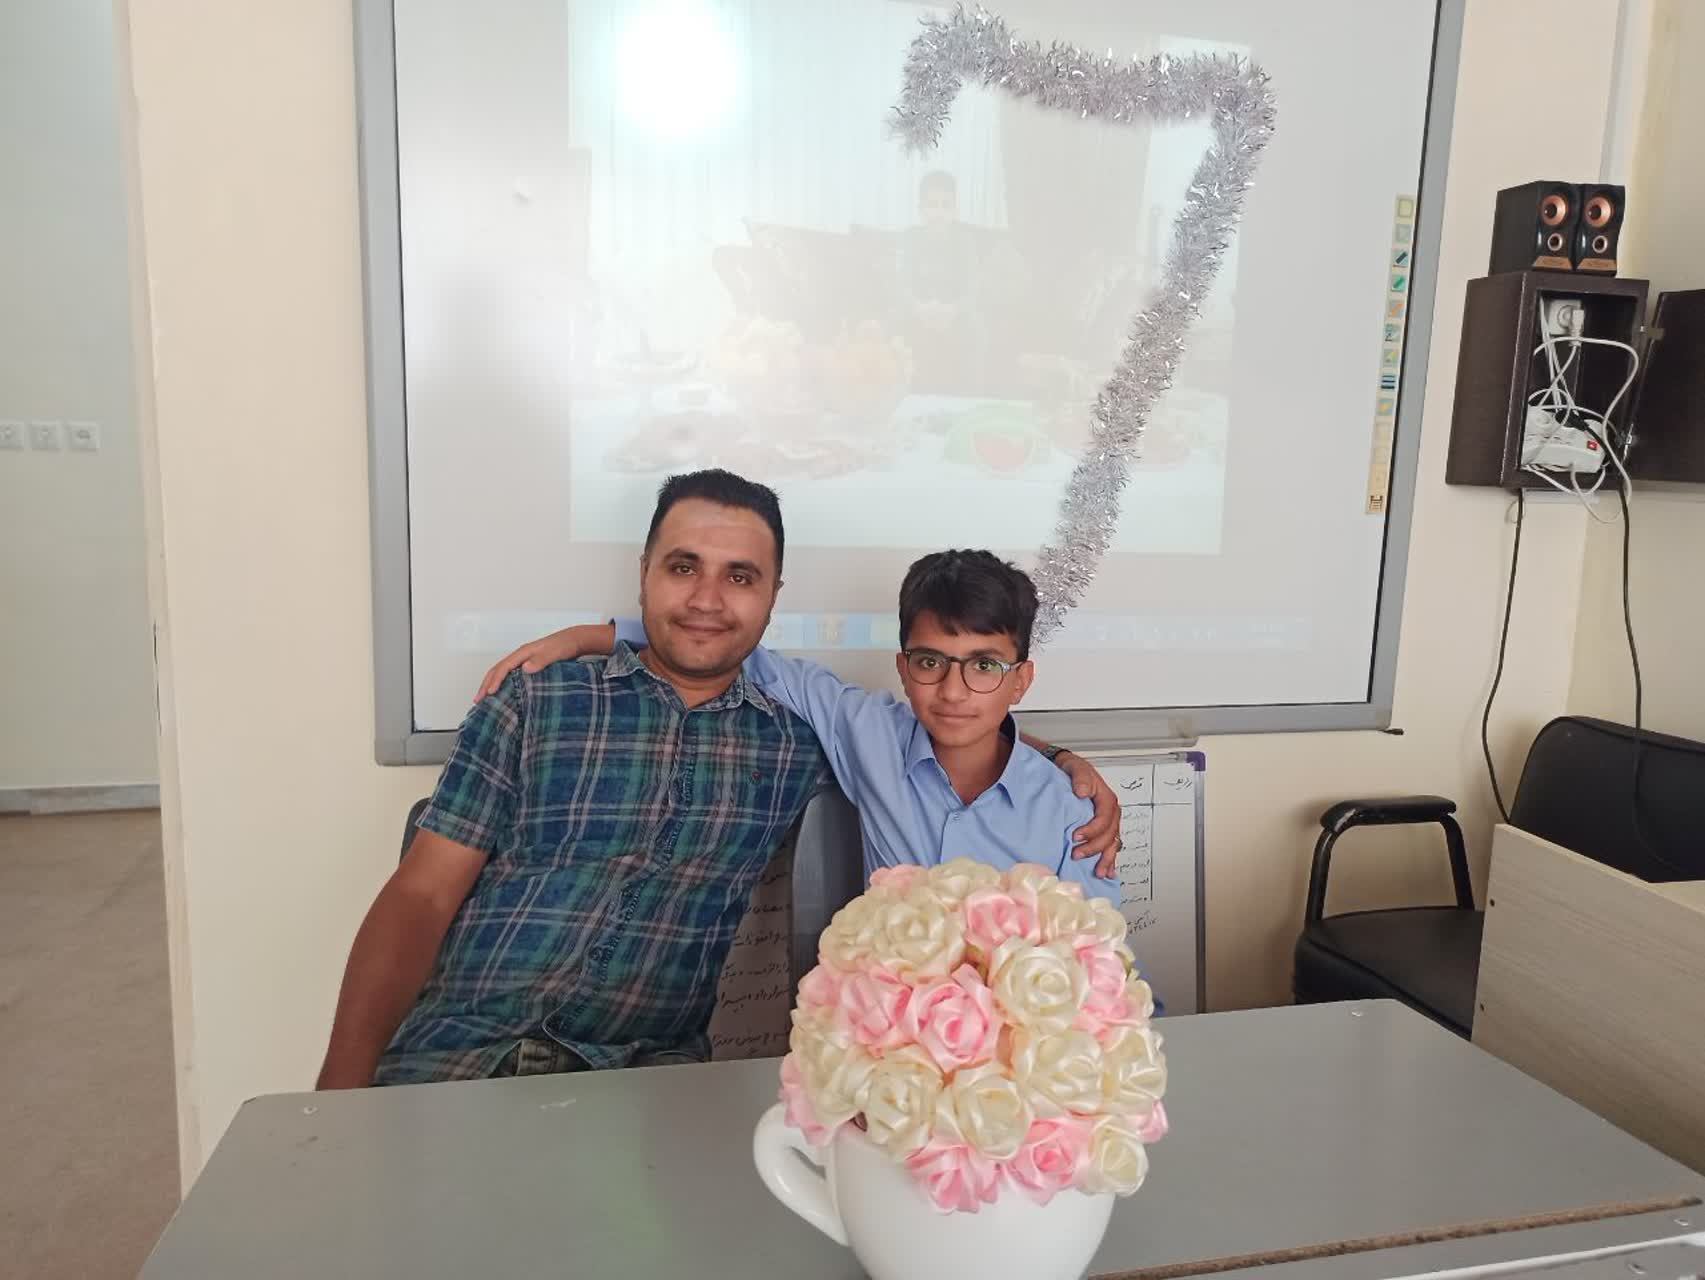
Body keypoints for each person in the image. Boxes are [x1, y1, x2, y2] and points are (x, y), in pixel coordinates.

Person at [317, 470, 1119, 1088]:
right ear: (644, 572)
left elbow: (954, 723)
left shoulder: (794, 736)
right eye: (682, 568)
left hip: (645, 1081)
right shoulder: (535, 700)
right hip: (456, 1060)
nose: (706, 600)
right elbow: (421, 894)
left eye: (739, 577)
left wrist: (1058, 762)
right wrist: (340, 1097)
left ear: (772, 596)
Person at [481, 549, 1124, 906]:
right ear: (903, 668)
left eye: (984, 666)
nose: (953, 691)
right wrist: (586, 637)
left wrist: (1059, 757)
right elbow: (734, 651)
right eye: (931, 662)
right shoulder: (867, 732)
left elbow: (1099, 967)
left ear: (1020, 680)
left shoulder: (1072, 810)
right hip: (893, 1046)